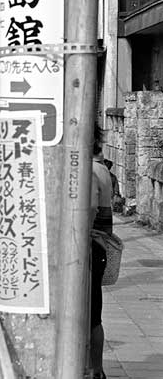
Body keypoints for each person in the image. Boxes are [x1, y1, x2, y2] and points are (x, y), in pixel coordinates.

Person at [90, 127, 114, 379]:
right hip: (99, 247)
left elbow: (87, 213)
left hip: (90, 247)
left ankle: (93, 370)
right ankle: (96, 369)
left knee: (89, 314)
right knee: (94, 314)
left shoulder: (91, 172)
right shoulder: (102, 169)